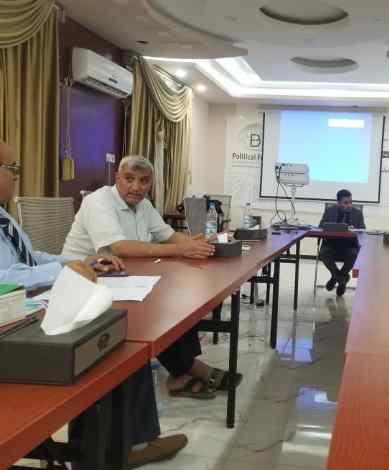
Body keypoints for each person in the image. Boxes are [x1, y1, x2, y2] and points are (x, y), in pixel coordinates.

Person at [0, 141, 187, 468]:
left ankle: (128, 443)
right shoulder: (99, 202)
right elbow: (5, 277)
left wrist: (77, 262)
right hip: (13, 322)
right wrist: (63, 270)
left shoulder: (3, 217)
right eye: (11, 168)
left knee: (119, 339)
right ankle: (111, 450)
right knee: (108, 348)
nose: (16, 176)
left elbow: (31, 259)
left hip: (36, 304)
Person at [63, 155, 241, 399]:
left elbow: (169, 235)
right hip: (86, 281)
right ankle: (187, 370)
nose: (136, 187)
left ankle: (184, 370)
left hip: (123, 277)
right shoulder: (99, 201)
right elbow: (119, 247)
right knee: (158, 304)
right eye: (129, 179)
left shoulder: (144, 205)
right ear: (117, 178)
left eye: (144, 181)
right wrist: (181, 249)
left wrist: (198, 244)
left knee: (173, 297)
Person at [319, 189, 365, 297]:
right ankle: (342, 279)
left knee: (354, 254)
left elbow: (363, 231)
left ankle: (336, 277)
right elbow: (321, 226)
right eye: (346, 203)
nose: (349, 205)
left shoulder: (357, 213)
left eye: (351, 202)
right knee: (324, 253)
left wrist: (354, 230)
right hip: (331, 244)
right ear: (338, 203)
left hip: (349, 246)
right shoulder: (330, 211)